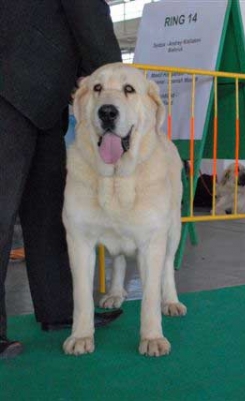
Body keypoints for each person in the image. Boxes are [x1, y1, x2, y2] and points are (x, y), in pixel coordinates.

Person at [0, 0, 124, 359]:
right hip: (12, 82)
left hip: (43, 96)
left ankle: (61, 310)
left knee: (49, 208)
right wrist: (121, 85)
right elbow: (90, 17)